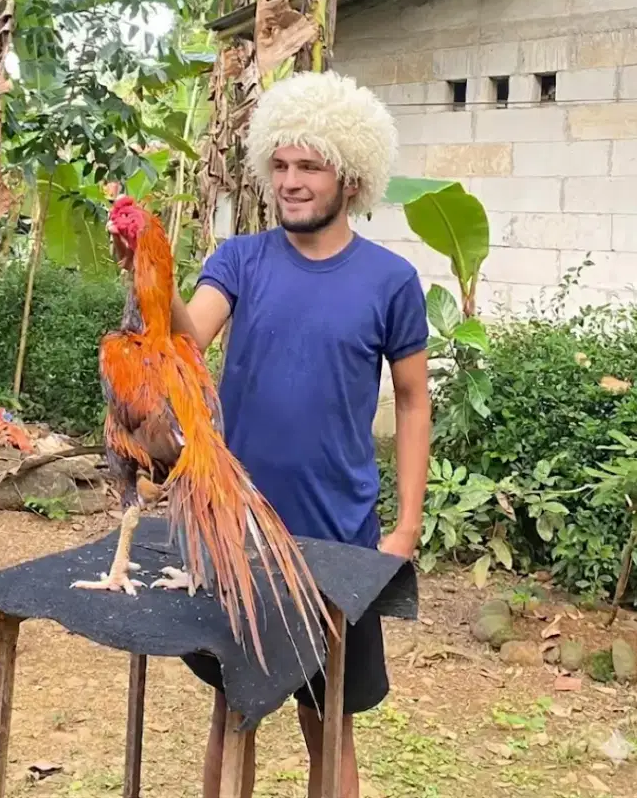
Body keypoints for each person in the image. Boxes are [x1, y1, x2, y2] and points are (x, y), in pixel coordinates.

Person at [122, 69, 430, 798]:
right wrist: (149, 280)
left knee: (329, 729)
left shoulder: (390, 281)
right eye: (281, 166)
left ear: (350, 178)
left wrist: (406, 531)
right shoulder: (241, 260)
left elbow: (414, 402)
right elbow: (188, 339)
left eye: (310, 167)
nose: (290, 182)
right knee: (234, 715)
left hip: (338, 539)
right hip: (235, 535)